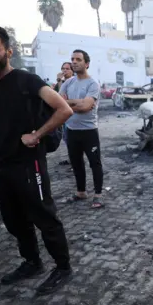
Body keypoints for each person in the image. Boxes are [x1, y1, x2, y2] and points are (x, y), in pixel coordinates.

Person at [0, 24, 74, 295]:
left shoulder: (26, 80)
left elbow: (64, 109)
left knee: (44, 216)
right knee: (14, 219)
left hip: (31, 163)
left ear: (8, 51)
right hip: (2, 165)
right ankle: (32, 262)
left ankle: (63, 267)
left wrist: (38, 134)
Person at [60, 50, 104, 209]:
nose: (74, 62)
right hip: (71, 130)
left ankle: (98, 194)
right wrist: (76, 103)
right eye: (72, 59)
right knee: (76, 162)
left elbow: (86, 106)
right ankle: (81, 192)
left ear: (87, 64)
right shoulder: (68, 83)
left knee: (95, 163)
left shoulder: (93, 84)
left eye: (78, 59)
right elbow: (58, 103)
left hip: (89, 131)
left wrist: (68, 103)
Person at [55, 62, 74, 166]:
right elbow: (57, 96)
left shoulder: (74, 82)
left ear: (72, 71)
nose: (64, 71)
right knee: (66, 137)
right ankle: (72, 158)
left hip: (73, 114)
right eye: (63, 68)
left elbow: (63, 98)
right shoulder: (61, 83)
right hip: (63, 115)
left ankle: (74, 159)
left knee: (70, 137)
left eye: (67, 68)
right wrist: (59, 81)